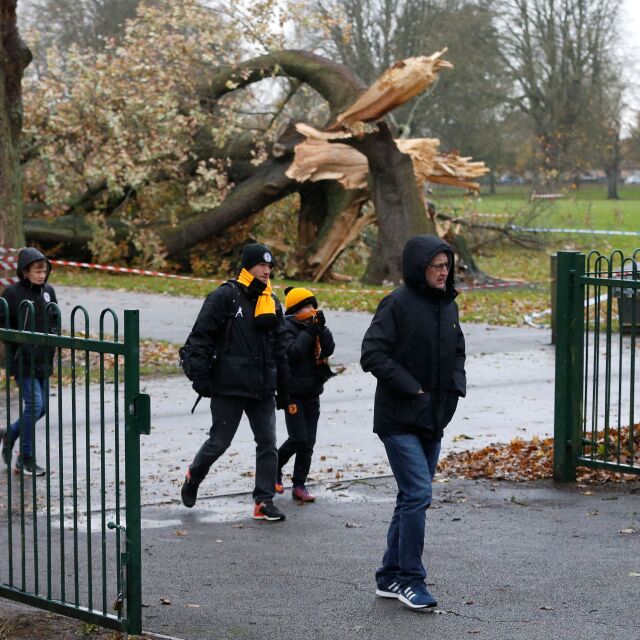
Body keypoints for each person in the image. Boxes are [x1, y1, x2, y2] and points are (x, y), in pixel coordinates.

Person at [360, 235, 466, 610]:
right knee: (419, 495)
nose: (443, 272)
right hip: (398, 419)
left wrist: (454, 391)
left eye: (446, 265)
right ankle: (411, 580)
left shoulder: (447, 306)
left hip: (432, 420)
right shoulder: (396, 304)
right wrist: (414, 390)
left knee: (409, 498)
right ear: (418, 268)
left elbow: (457, 352)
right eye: (436, 266)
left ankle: (389, 576)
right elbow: (372, 354)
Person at [180, 242, 290, 521]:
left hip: (263, 388)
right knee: (219, 442)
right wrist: (200, 377)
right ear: (247, 266)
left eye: (269, 266)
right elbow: (200, 338)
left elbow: (280, 347)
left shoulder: (272, 301)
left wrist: (286, 386)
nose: (267, 271)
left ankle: (263, 501)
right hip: (228, 386)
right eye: (261, 265)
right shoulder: (225, 297)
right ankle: (194, 475)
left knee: (268, 443)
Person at [1, 247, 59, 476]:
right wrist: (18, 346)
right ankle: (24, 459)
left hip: (43, 359)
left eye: (44, 270)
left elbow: (54, 318)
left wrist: (52, 340)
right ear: (25, 271)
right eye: (37, 270)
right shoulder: (11, 294)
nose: (41, 275)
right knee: (34, 406)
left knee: (41, 408)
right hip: (23, 361)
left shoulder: (48, 292)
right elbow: (4, 326)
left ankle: (10, 434)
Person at [275, 287, 335, 503]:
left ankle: (299, 484)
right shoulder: (286, 327)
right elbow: (293, 353)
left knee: (308, 442)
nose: (312, 310)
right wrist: (310, 332)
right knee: (298, 438)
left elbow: (328, 349)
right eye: (308, 306)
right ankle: (275, 466)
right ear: (296, 309)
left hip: (312, 391)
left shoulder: (314, 327)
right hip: (292, 393)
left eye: (313, 306)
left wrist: (323, 329)